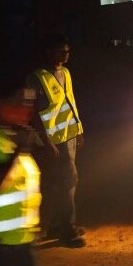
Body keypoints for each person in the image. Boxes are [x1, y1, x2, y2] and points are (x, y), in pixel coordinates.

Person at [0, 74, 69, 266]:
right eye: (18, 102)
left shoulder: (12, 135)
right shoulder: (4, 140)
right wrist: (17, 150)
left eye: (29, 104)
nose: (26, 110)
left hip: (16, 241)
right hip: (4, 243)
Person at [26, 34, 85, 248]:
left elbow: (70, 102)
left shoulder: (65, 73)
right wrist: (46, 140)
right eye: (61, 50)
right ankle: (67, 230)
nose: (65, 54)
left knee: (60, 182)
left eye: (67, 50)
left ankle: (56, 226)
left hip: (66, 136)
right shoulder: (36, 78)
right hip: (51, 141)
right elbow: (32, 112)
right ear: (48, 52)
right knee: (67, 181)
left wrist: (78, 129)